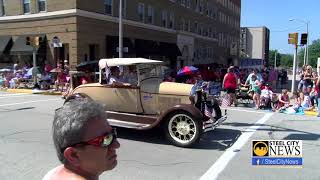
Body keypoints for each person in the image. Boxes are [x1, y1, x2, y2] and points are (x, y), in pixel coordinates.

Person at [42, 93, 120, 180]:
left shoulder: (54, 173)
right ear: (73, 155)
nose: (116, 145)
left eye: (112, 134)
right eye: (105, 140)